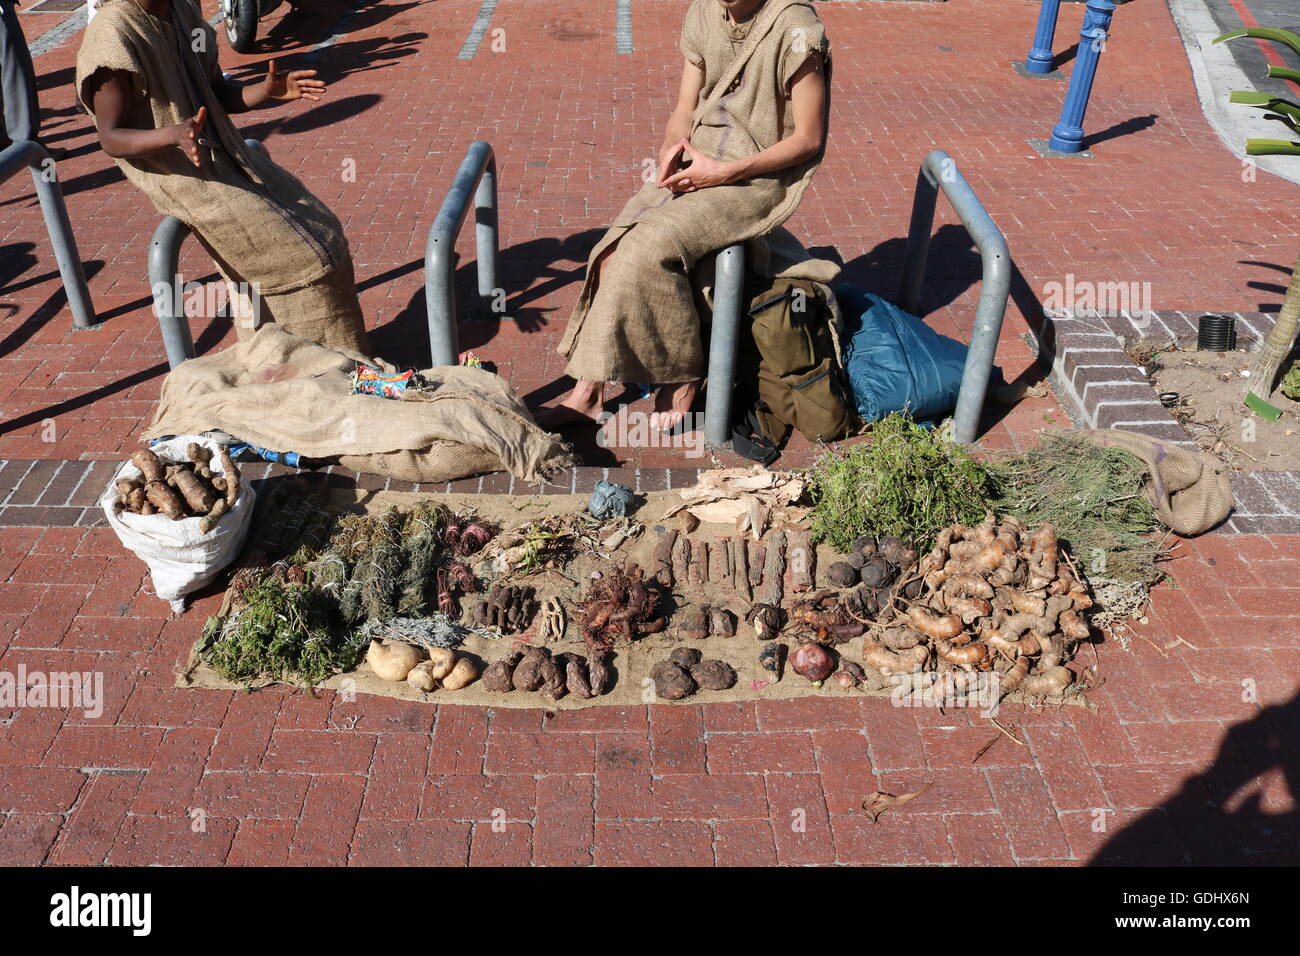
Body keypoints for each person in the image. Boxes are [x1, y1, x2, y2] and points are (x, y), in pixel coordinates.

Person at [542, 0, 830, 432]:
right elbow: (683, 108)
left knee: (649, 246)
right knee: (610, 249)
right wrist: (670, 151)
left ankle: (685, 373)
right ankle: (590, 388)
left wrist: (726, 170)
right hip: (696, 161)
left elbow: (809, 139)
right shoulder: (702, 14)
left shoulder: (797, 28)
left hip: (753, 177)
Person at [75, 0, 370, 354]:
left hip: (229, 154)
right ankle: (297, 363)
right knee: (298, 256)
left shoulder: (181, 12)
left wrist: (266, 91)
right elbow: (111, 136)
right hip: (178, 173)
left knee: (324, 229)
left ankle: (333, 358)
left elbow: (217, 92)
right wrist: (174, 135)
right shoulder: (112, 34)